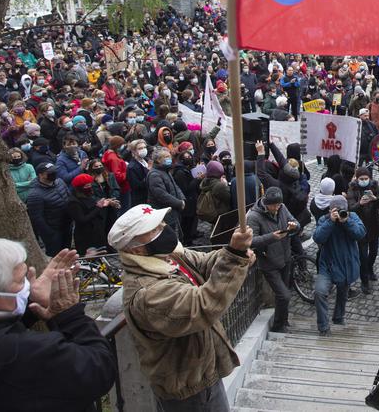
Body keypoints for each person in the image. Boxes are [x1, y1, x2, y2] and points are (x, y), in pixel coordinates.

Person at [110, 204, 254, 411]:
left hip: (202, 372)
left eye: (161, 224)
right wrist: (234, 257)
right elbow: (203, 306)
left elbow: (204, 263)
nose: (165, 229)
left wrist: (235, 254)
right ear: (136, 249)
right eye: (154, 229)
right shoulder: (149, 293)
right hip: (188, 389)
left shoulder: (168, 256)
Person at [0, 240, 116, 411]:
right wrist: (69, 314)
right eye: (21, 281)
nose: (28, 286)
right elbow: (97, 369)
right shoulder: (26, 352)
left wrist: (30, 305)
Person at [247, 187, 300, 334]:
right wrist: (272, 237)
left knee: (283, 294)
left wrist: (294, 227)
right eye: (274, 205)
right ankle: (278, 326)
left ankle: (284, 321)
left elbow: (295, 222)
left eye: (279, 204)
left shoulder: (282, 208)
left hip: (285, 257)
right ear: (266, 203)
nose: (277, 208)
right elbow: (251, 241)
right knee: (284, 295)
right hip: (268, 262)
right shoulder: (254, 216)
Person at [312, 195, 366, 336]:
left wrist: (346, 221)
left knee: (343, 293)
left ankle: (338, 317)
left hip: (347, 266)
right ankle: (323, 327)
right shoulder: (324, 220)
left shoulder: (352, 217)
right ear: (330, 210)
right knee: (319, 291)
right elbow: (318, 237)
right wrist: (331, 221)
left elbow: (360, 234)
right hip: (328, 266)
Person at [346, 167, 379, 294]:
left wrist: (375, 199)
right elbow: (350, 208)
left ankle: (370, 268)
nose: (364, 181)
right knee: (362, 256)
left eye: (366, 178)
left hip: (374, 225)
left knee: (374, 252)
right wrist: (359, 204)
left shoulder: (374, 186)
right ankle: (364, 280)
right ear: (357, 179)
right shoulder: (352, 189)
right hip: (360, 228)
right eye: (361, 179)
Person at [27, 162, 72, 256]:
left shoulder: (60, 182)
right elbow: (36, 218)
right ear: (41, 175)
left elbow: (69, 197)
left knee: (67, 252)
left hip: (67, 226)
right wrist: (50, 233)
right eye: (50, 172)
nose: (54, 174)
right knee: (56, 255)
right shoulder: (35, 194)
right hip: (53, 231)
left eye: (54, 171)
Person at [146, 147, 186, 240]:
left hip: (172, 210)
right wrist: (179, 203)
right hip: (163, 211)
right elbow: (161, 195)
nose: (169, 159)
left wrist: (182, 199)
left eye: (169, 156)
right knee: (168, 236)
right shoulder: (154, 174)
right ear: (159, 160)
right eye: (166, 157)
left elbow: (175, 186)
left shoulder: (165, 171)